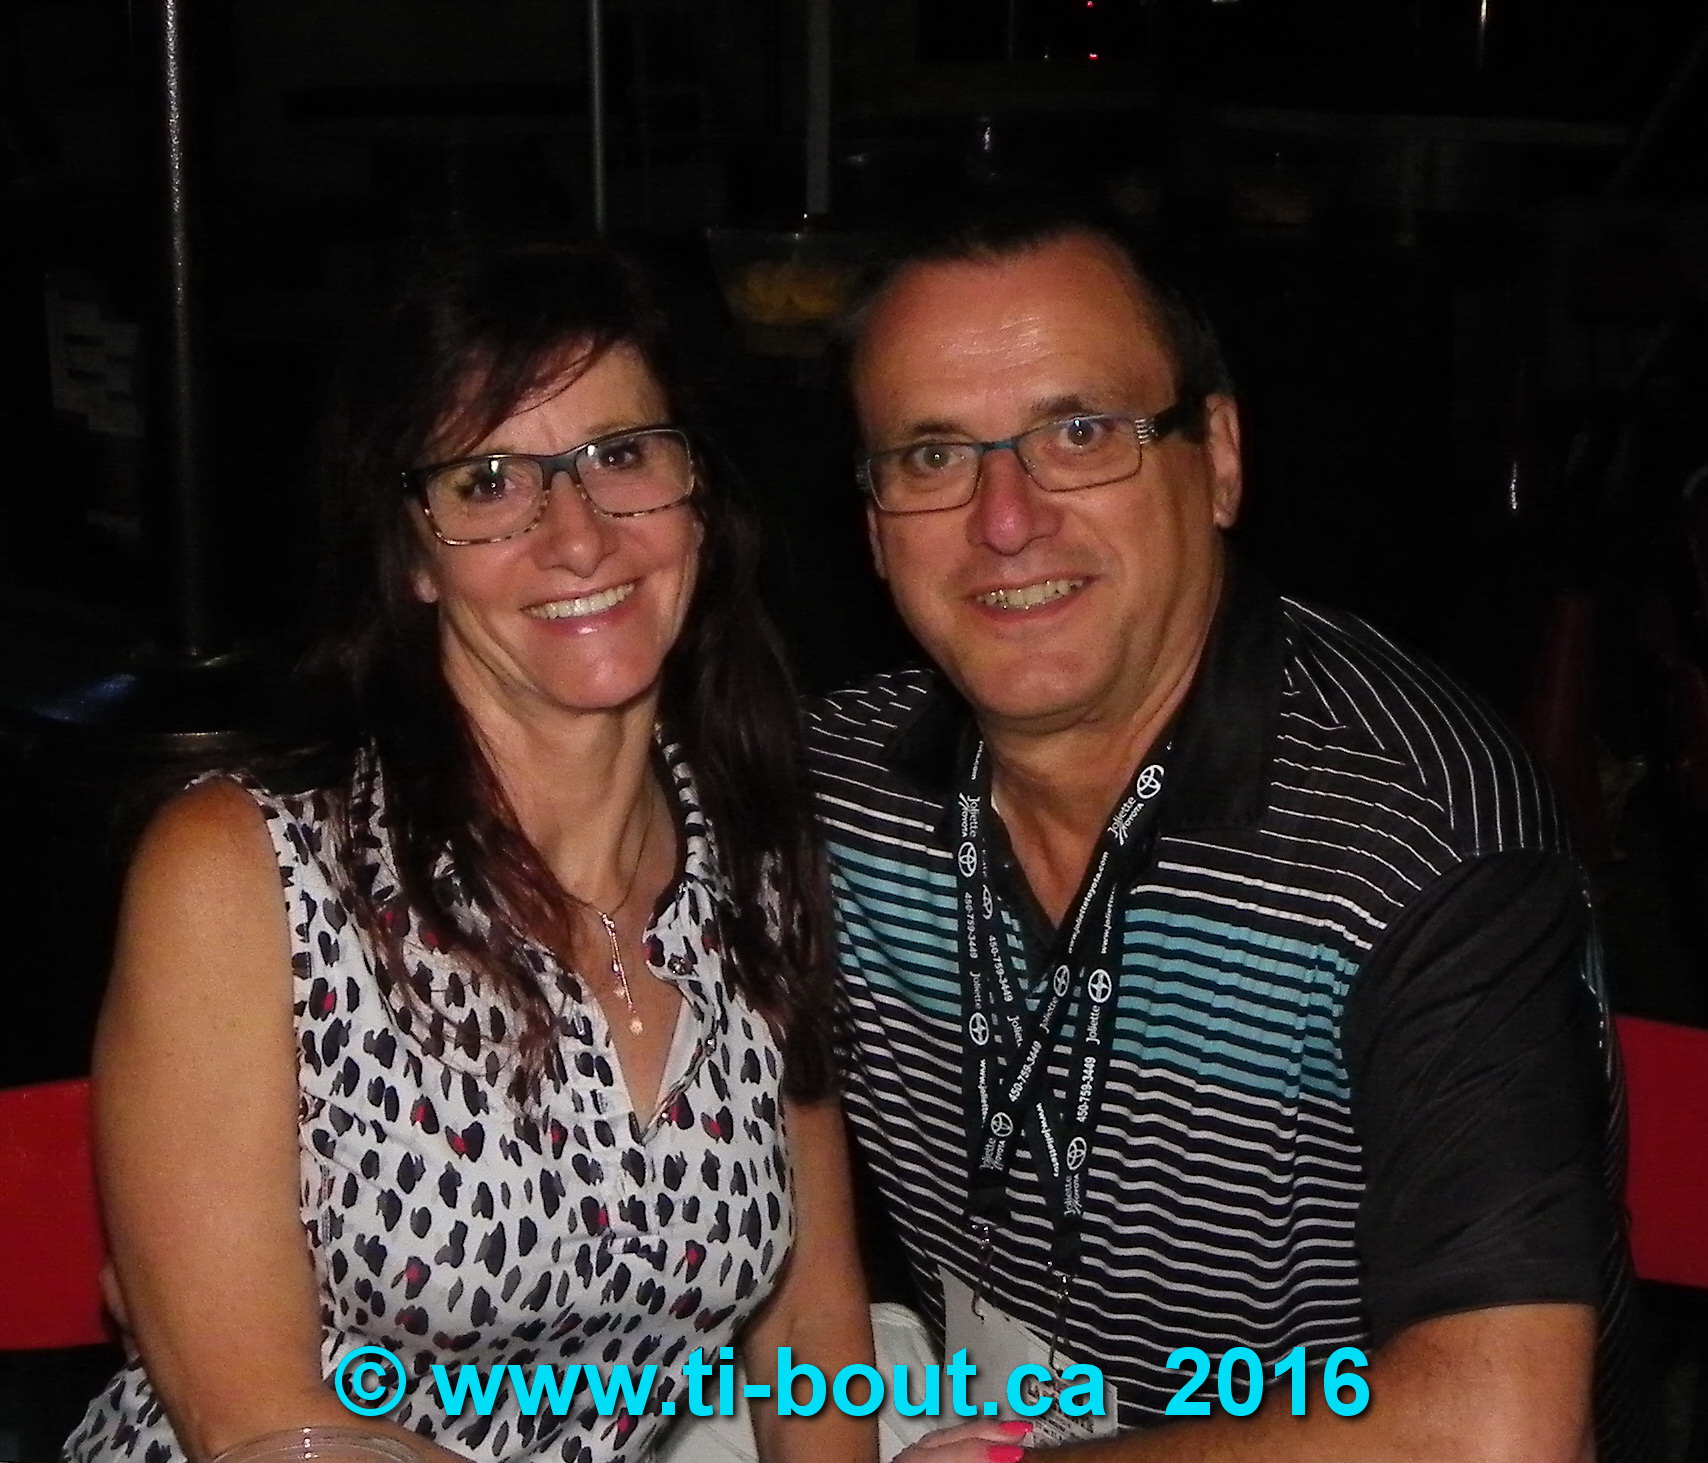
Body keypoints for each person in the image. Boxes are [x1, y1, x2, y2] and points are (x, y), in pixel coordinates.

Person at [808, 203, 1654, 1463]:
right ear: (875, 525)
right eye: (932, 456)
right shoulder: (832, 792)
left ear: (1216, 459)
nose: (1004, 517)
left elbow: (1502, 1431)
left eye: (1079, 433)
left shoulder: (1411, 834)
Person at [68, 242, 876, 1463]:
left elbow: (813, 1328)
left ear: (698, 498)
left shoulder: (751, 860)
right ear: (411, 554)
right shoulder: (245, 871)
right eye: (489, 481)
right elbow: (261, 1423)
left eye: (621, 455)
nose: (578, 536)